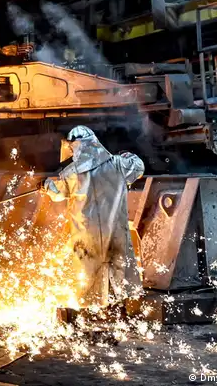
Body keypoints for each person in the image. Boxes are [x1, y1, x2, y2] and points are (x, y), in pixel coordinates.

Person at [40, 125, 145, 309]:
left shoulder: (71, 173)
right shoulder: (119, 164)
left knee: (88, 276)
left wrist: (46, 185)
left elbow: (57, 194)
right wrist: (127, 155)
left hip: (87, 232)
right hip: (115, 230)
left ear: (75, 146)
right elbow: (139, 166)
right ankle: (126, 308)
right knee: (120, 269)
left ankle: (91, 311)